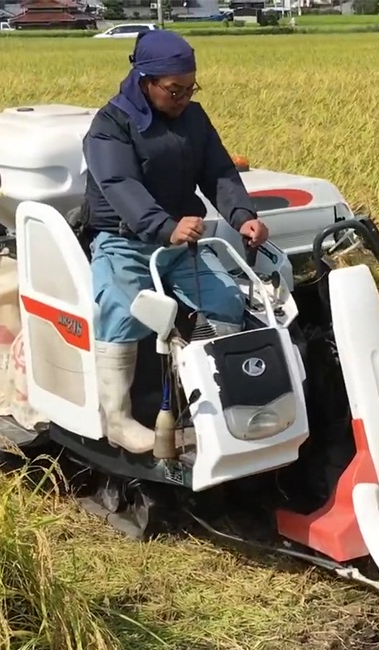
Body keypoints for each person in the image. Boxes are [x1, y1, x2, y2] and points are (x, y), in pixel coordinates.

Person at [81, 29, 270, 455]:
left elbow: (219, 172)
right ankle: (118, 420)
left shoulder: (194, 119)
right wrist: (164, 225)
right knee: (121, 308)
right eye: (174, 90)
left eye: (190, 88)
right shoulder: (109, 126)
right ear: (145, 80)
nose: (183, 97)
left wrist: (243, 217)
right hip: (124, 240)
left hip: (178, 242)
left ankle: (210, 402)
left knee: (225, 300)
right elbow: (119, 184)